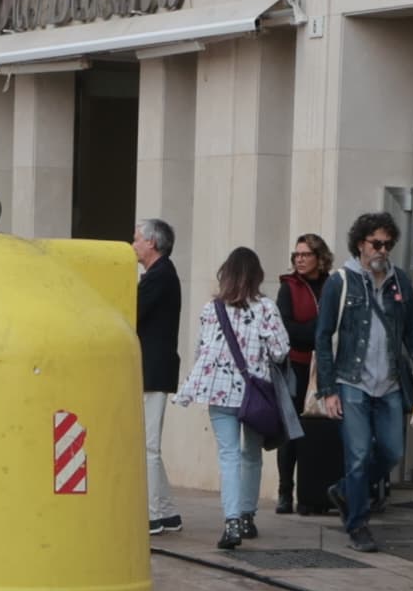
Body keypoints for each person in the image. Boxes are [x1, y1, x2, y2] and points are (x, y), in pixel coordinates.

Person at [311, 210, 413, 551]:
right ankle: (358, 524)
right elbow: (323, 338)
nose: (382, 250)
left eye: (388, 244)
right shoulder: (341, 281)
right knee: (360, 453)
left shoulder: (400, 282)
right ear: (360, 244)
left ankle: (346, 490)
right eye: (376, 243)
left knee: (392, 451)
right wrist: (328, 389)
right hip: (352, 381)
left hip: (390, 382)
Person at [182, 245, 289, 551]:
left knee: (228, 456)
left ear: (225, 274)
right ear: (257, 276)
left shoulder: (210, 310)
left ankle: (230, 522)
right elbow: (281, 350)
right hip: (254, 393)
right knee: (251, 455)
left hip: (218, 390)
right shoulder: (266, 308)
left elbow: (202, 350)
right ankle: (246, 516)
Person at [274, 234, 339, 520]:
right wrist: (319, 330)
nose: (299, 259)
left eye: (306, 254)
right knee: (292, 430)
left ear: (319, 257)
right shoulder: (288, 287)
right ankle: (285, 491)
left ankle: (315, 493)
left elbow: (339, 323)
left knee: (322, 428)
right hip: (297, 366)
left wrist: (316, 332)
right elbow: (286, 330)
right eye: (296, 254)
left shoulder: (333, 285)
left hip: (328, 365)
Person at [132, 219, 184, 530]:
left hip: (152, 369)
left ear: (152, 243)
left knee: (147, 445)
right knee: (149, 444)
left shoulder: (159, 276)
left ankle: (152, 516)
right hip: (154, 368)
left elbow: (132, 311)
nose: (133, 243)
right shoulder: (161, 274)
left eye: (137, 238)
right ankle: (166, 511)